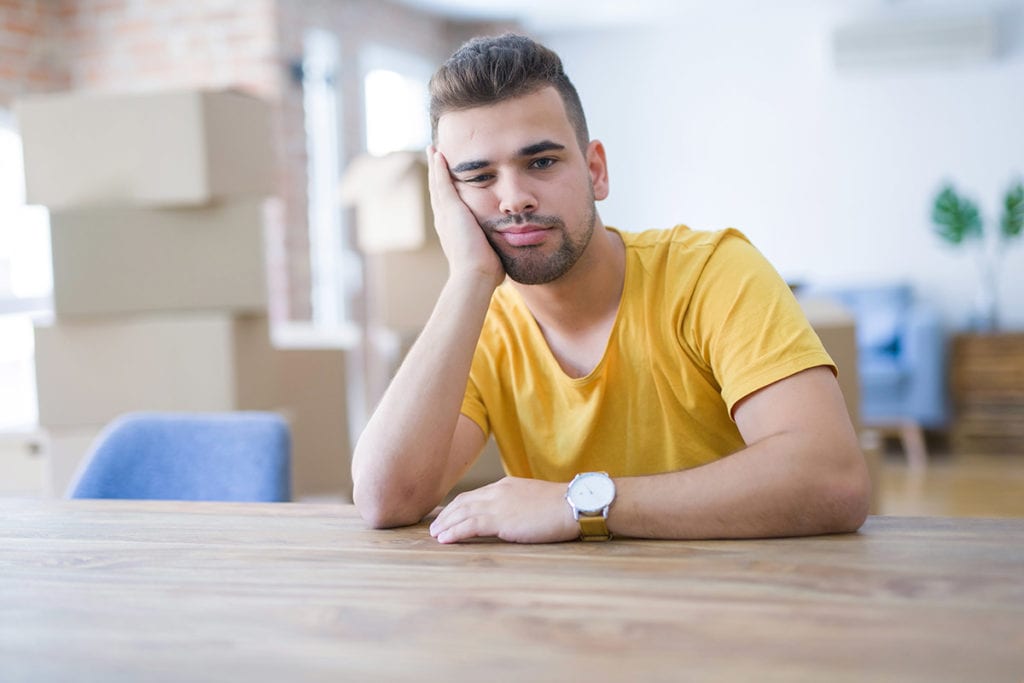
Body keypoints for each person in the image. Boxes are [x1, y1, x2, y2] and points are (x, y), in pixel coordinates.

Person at [351, 33, 870, 544]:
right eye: (480, 177)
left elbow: (832, 478)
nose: (514, 199)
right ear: (448, 198)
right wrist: (468, 277)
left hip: (739, 601)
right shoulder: (480, 321)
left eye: (541, 162)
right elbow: (386, 499)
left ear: (595, 170)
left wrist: (577, 502)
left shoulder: (712, 272)